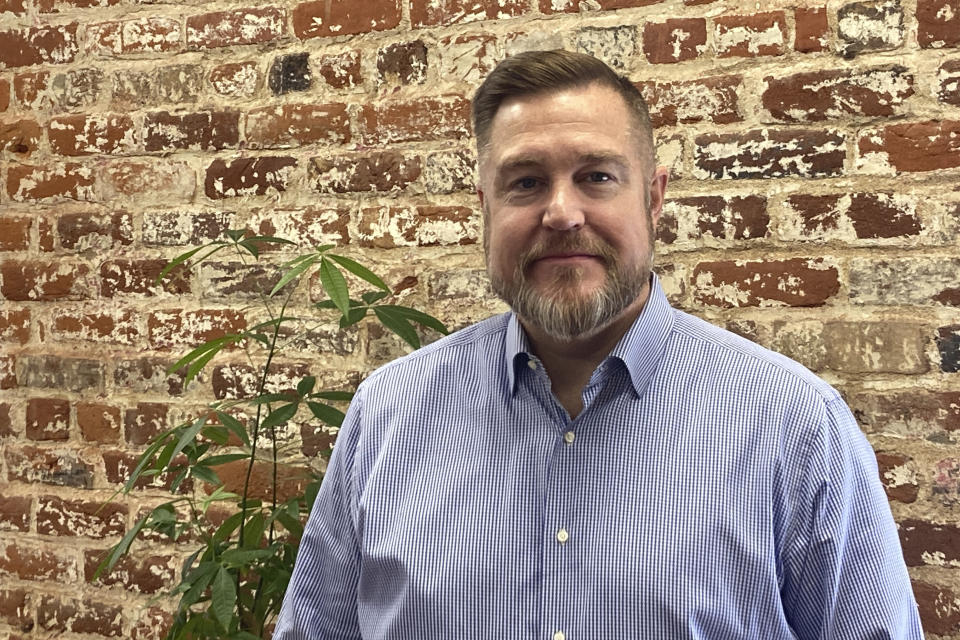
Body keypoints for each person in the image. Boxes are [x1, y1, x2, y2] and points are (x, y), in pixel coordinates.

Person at [275, 50, 923, 639]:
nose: (561, 212)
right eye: (524, 182)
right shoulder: (388, 416)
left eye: (597, 177)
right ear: (486, 207)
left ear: (654, 197)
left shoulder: (795, 427)